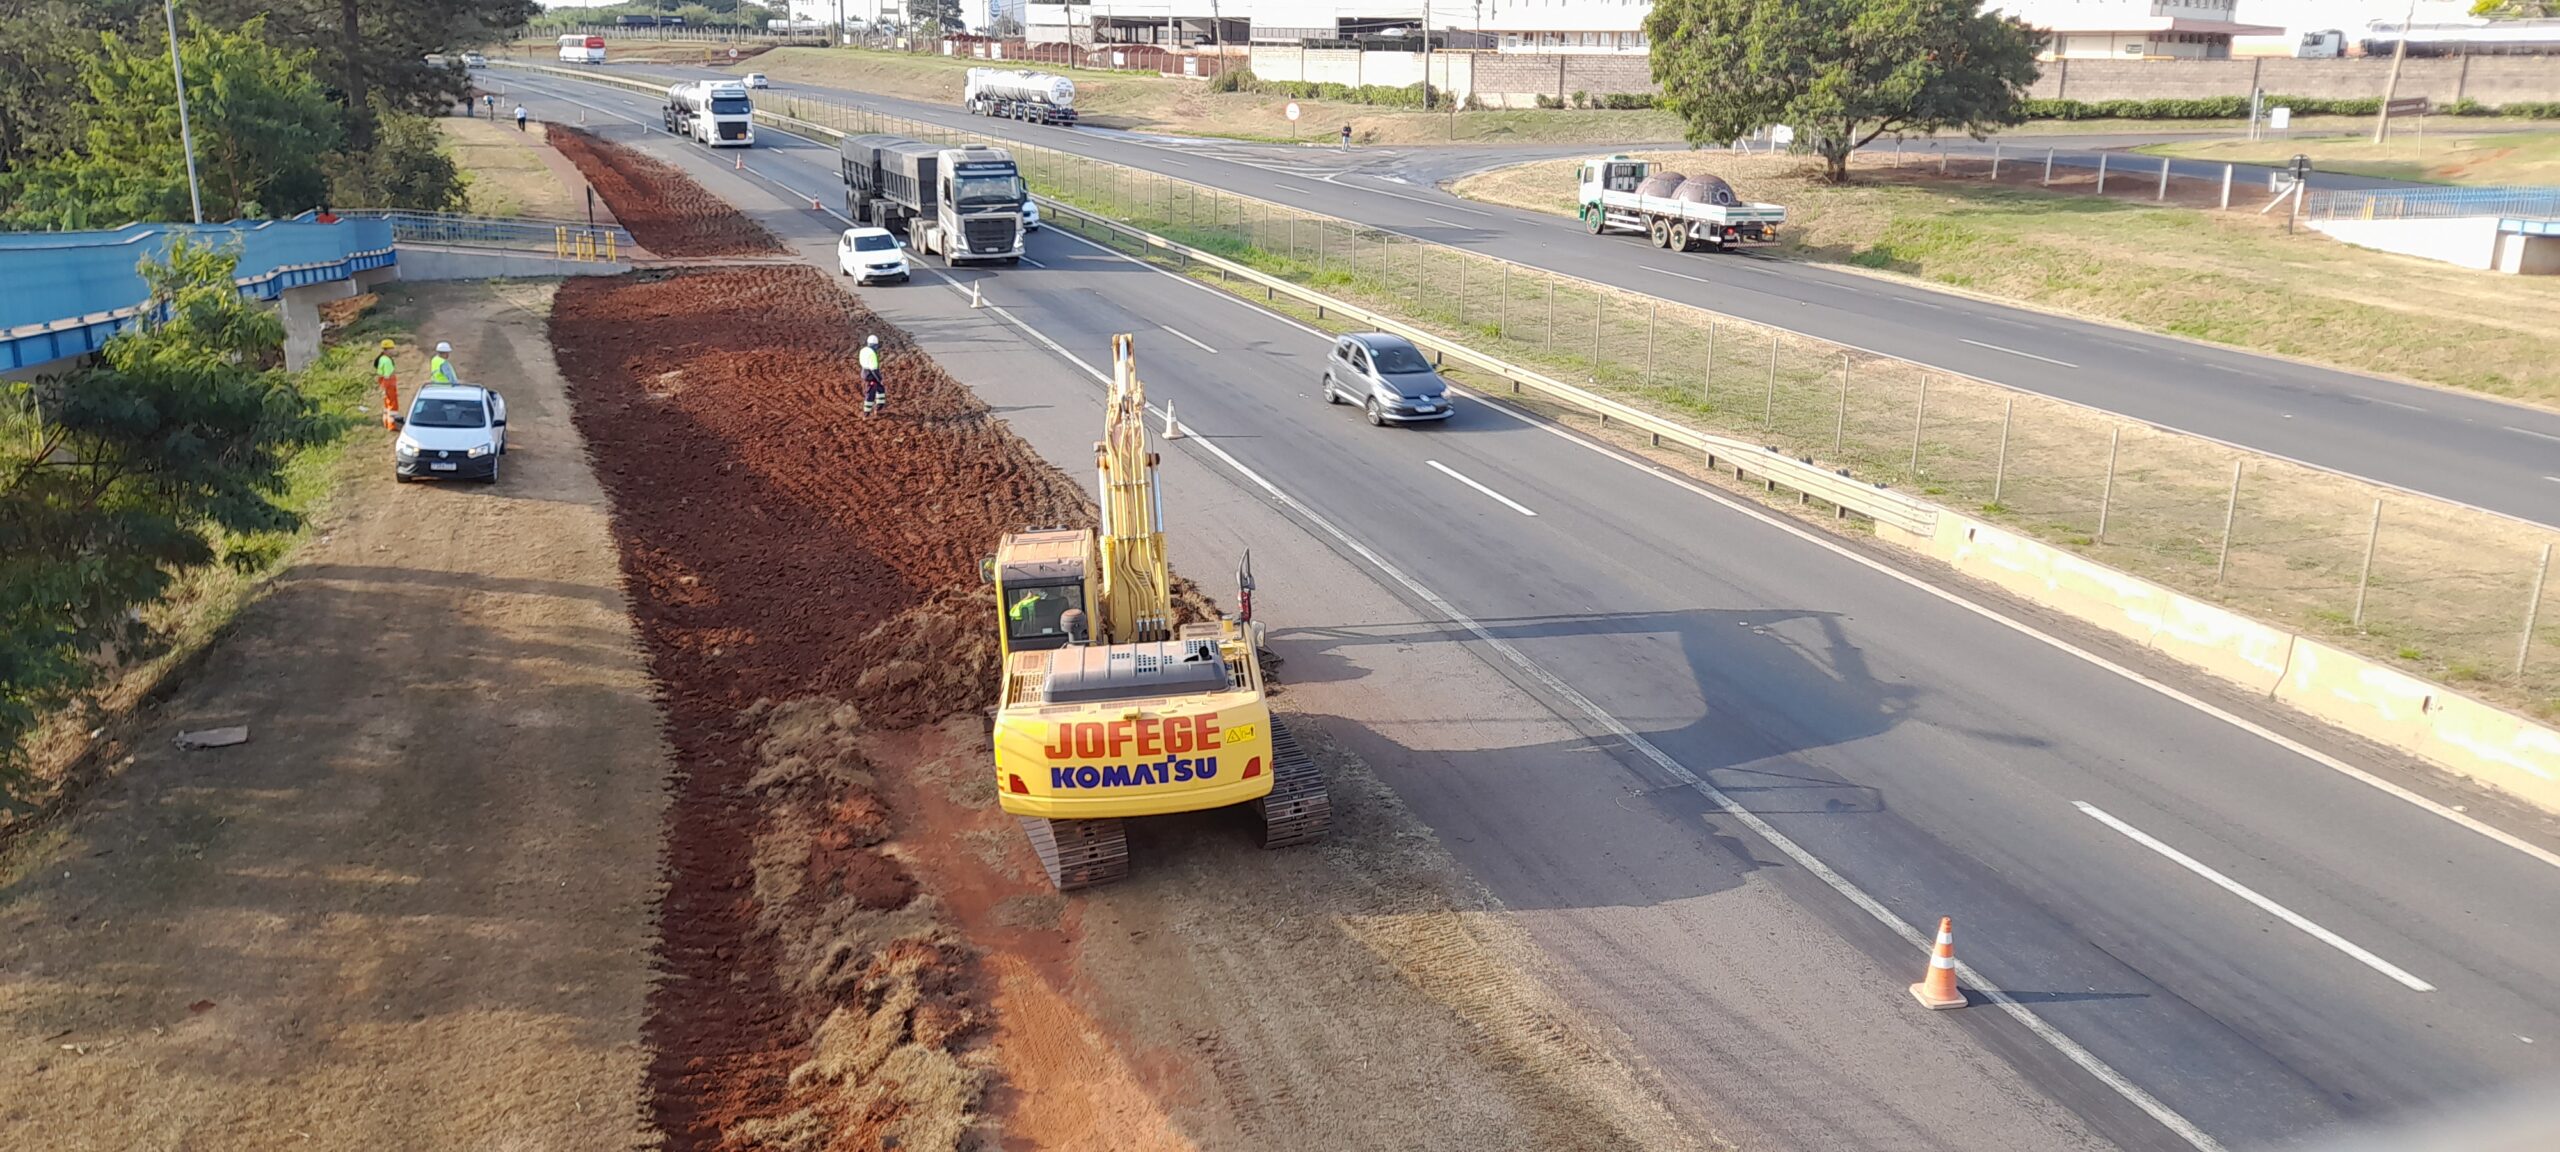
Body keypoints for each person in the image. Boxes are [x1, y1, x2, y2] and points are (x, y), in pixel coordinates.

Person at [373, 339, 401, 429]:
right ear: (386, 350)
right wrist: (389, 386)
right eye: (391, 349)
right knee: (393, 404)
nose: (393, 350)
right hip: (389, 385)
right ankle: (392, 425)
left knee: (386, 404)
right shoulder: (387, 361)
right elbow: (388, 375)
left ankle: (386, 422)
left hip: (384, 384)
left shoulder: (382, 359)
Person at [858, 334, 885, 416]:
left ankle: (879, 408)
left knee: (880, 389)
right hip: (870, 375)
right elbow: (874, 369)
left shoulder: (863, 350)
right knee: (871, 394)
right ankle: (867, 414)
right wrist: (880, 379)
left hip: (864, 372)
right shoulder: (872, 354)